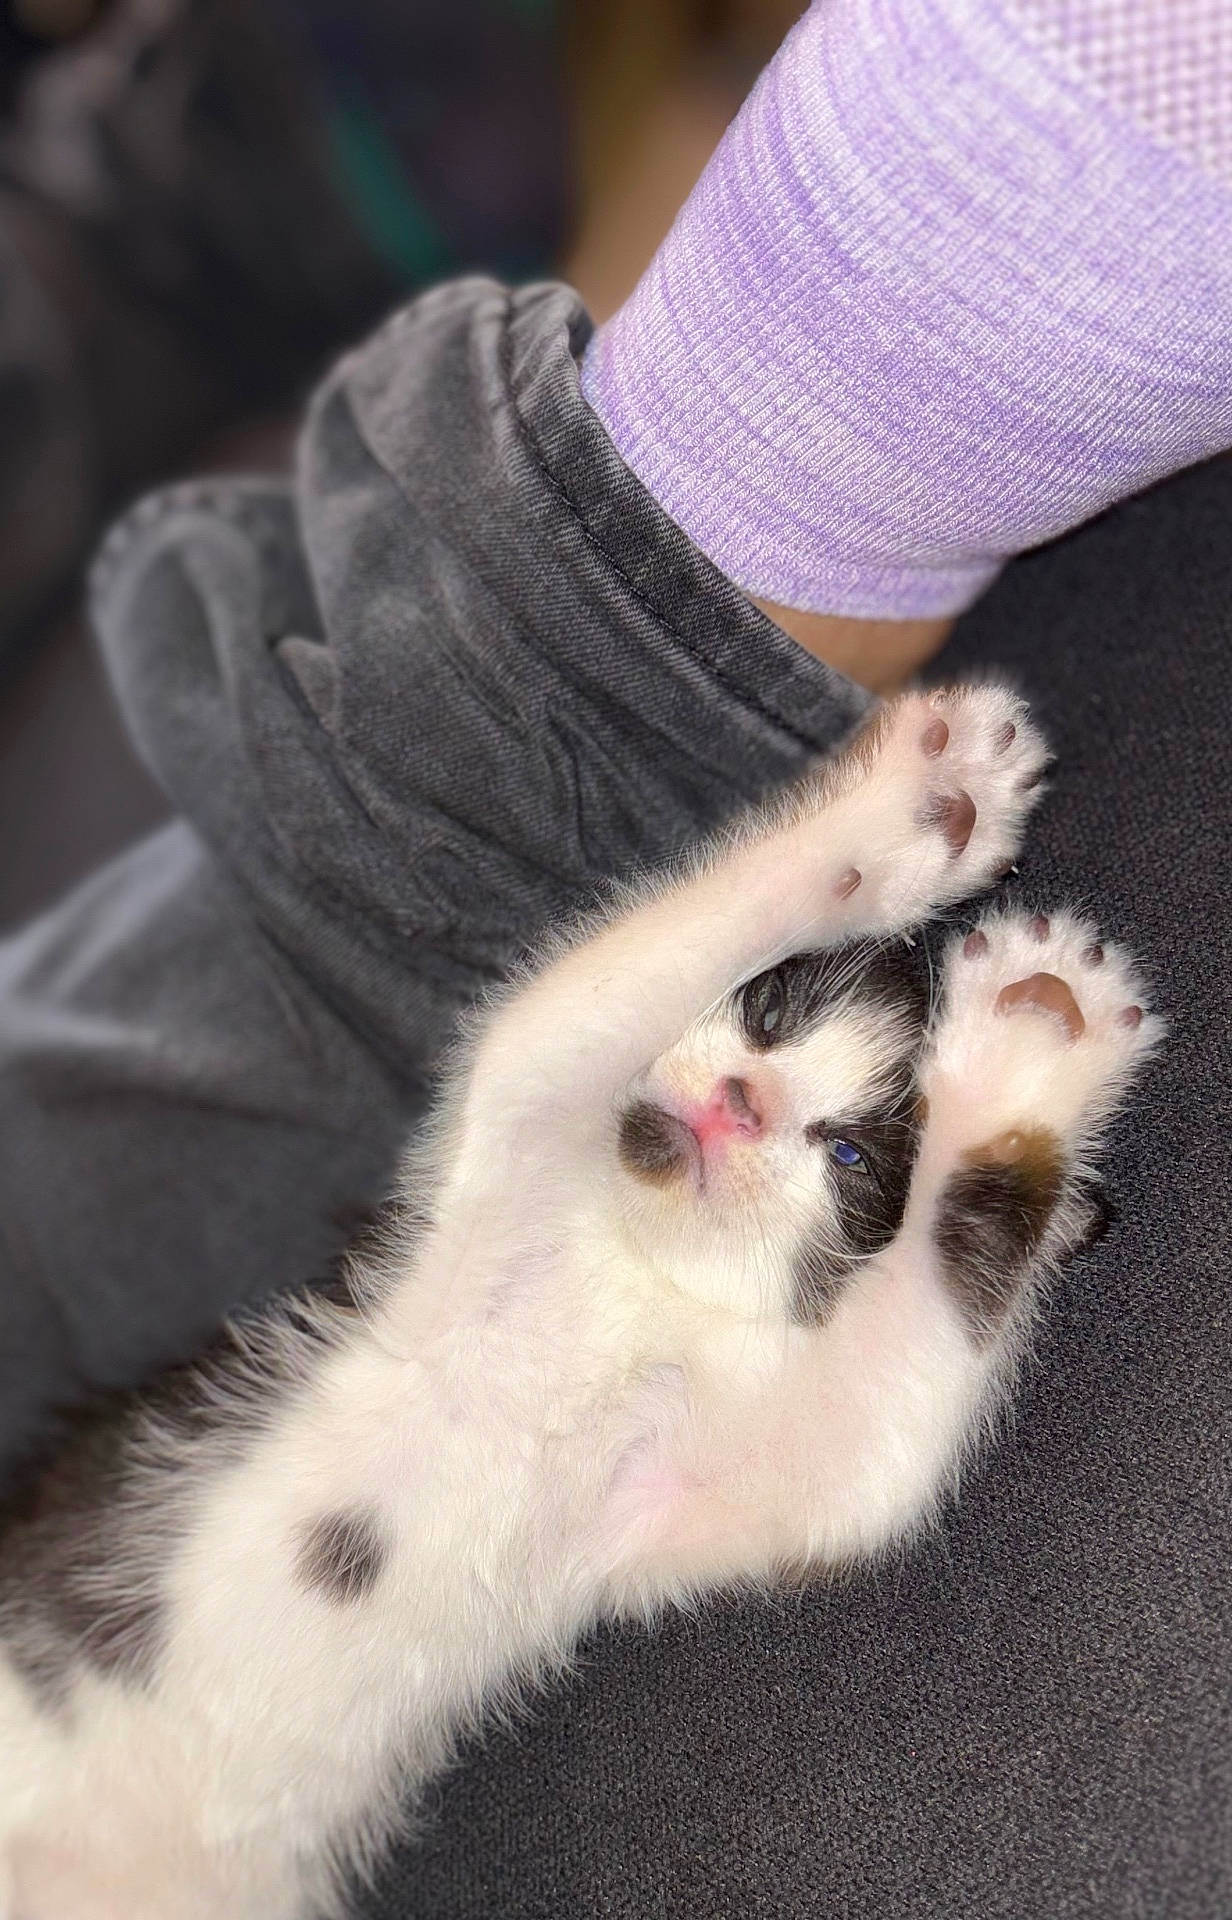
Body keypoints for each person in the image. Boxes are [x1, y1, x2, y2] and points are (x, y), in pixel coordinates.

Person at [2, 1, 1230, 1913]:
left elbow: (535, 1074)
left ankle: (861, 337)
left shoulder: (572, 1290)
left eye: (824, 1150)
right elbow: (843, 1479)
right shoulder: (650, 1446)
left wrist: (822, 885)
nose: (737, 1099)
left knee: (335, 954)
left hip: (53, 1712)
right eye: (793, 1094)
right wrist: (983, 1174)